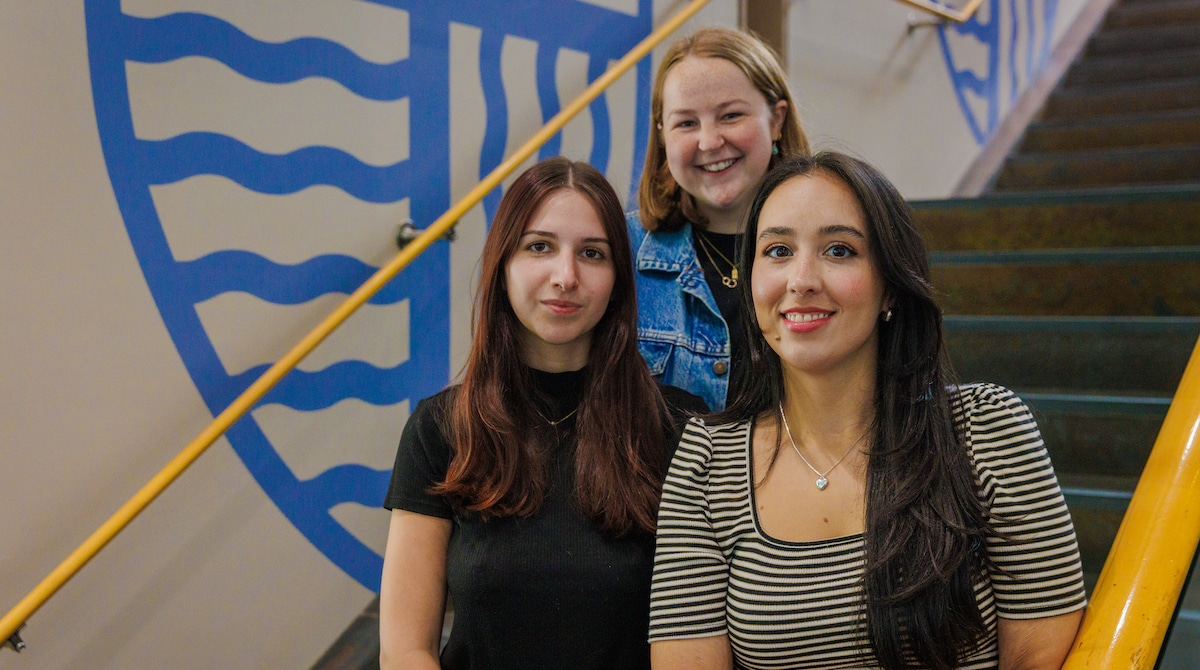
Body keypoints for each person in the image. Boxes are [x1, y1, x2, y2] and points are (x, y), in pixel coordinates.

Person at [649, 152, 1087, 670]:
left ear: (890, 286)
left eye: (839, 250)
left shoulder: (986, 429)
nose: (801, 279)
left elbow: (1041, 657)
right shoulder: (707, 460)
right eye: (778, 250)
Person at [378, 157, 707, 670]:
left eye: (592, 254)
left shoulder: (681, 429)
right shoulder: (440, 429)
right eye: (539, 247)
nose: (565, 276)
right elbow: (405, 651)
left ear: (619, 278)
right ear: (503, 265)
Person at [629, 27, 811, 411]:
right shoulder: (622, 250)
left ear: (776, 120)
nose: (709, 141)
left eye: (730, 115)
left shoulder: (836, 244)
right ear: (662, 135)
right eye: (686, 123)